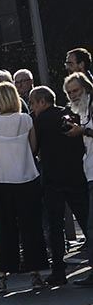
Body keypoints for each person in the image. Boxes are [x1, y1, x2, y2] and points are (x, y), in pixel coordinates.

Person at [0, 82, 47, 293]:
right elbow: (34, 147)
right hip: (27, 179)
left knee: (4, 230)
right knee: (32, 228)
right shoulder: (26, 119)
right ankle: (35, 273)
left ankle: (2, 276)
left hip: (1, 182)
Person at [29, 85, 89, 285]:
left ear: (42, 102)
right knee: (86, 222)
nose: (32, 108)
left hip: (53, 179)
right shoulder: (71, 114)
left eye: (33, 103)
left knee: (55, 227)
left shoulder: (40, 121)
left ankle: (58, 271)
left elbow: (34, 147)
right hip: (75, 175)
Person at [63, 72, 93, 285]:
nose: (73, 95)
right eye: (69, 92)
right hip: (89, 172)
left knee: (90, 226)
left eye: (76, 90)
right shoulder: (82, 109)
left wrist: (82, 130)